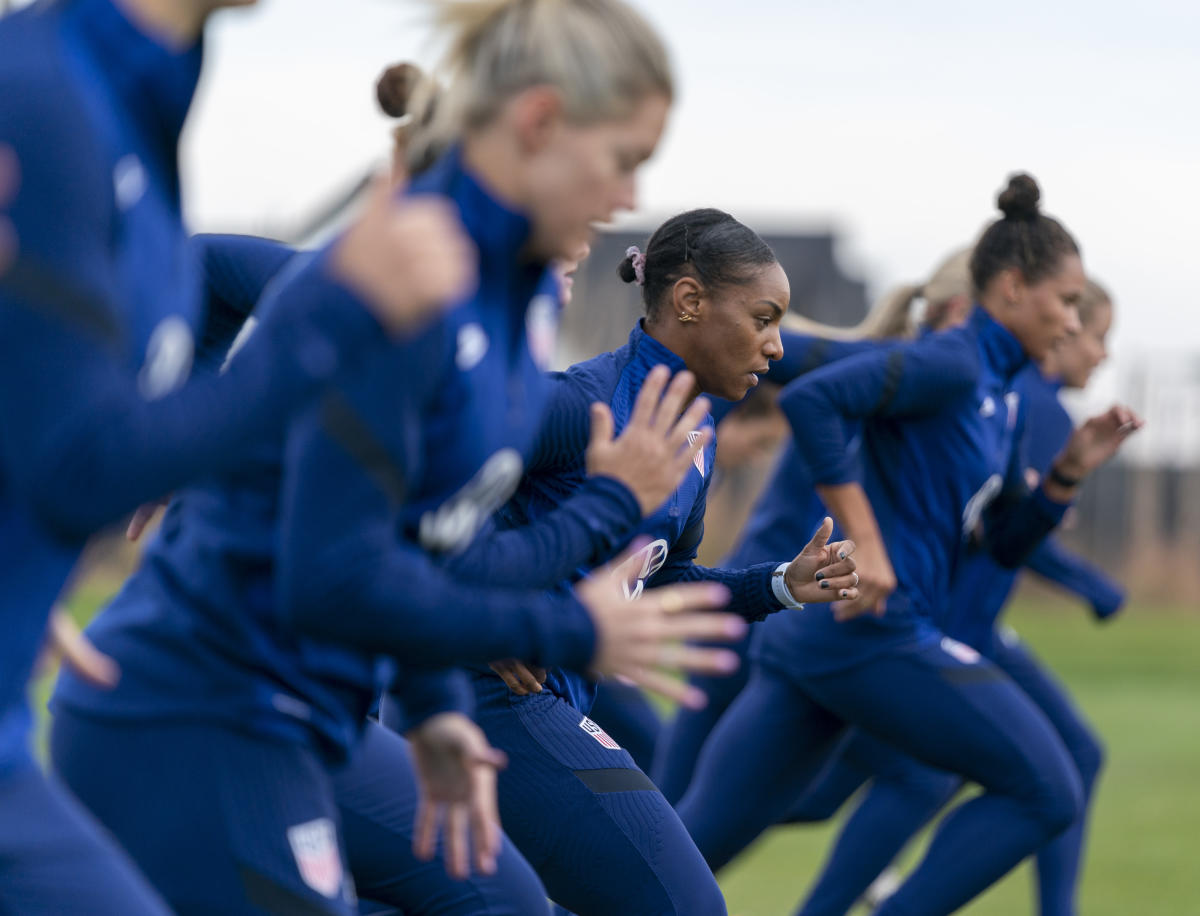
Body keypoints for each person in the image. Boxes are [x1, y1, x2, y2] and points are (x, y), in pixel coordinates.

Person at [50, 2, 746, 913]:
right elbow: (334, 580)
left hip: (317, 719)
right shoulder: (417, 284)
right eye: (623, 161)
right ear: (540, 123)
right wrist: (576, 613)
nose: (625, 202)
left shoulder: (510, 306)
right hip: (201, 713)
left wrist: (436, 705)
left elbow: (435, 549)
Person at [0, 0, 474, 910]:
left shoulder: (141, 97)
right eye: (616, 159)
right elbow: (77, 471)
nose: (617, 201)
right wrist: (331, 314)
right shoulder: (43, 94)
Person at [676, 174, 1143, 916]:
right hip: (871, 635)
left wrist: (1066, 476)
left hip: (821, 649)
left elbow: (1000, 542)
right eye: (1066, 301)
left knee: (677, 856)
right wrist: (866, 538)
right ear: (1014, 289)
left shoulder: (1000, 393)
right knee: (1048, 785)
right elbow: (810, 397)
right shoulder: (955, 362)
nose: (1072, 320)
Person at [474, 207, 860, 916]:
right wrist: (483, 620)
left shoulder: (699, 435)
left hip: (554, 698)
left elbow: (666, 579)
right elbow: (418, 491)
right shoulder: (579, 406)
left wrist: (780, 585)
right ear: (689, 302)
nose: (775, 347)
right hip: (490, 702)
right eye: (763, 318)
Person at [653, 248, 973, 805]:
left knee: (691, 814)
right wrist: (696, 459)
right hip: (757, 608)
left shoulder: (942, 391)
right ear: (962, 308)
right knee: (673, 812)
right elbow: (715, 356)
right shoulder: (888, 366)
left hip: (791, 606)